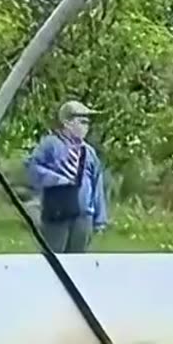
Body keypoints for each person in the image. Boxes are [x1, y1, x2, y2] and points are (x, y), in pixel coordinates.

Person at [25, 100, 108, 254]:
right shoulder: (51, 144)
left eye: (88, 123)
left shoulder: (88, 152)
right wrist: (56, 180)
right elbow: (32, 167)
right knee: (54, 256)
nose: (86, 127)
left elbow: (97, 182)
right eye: (81, 122)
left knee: (78, 259)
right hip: (58, 211)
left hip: (84, 215)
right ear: (67, 123)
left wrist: (100, 219)